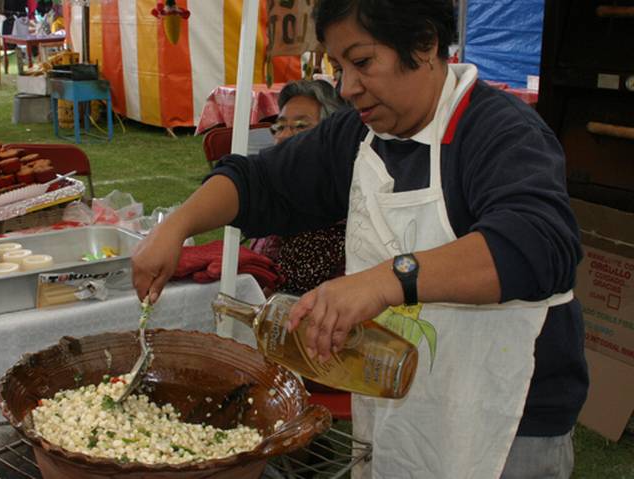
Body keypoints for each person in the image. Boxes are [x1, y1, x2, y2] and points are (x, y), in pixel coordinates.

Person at [131, 1, 588, 477]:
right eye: (338, 67)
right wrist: (176, 225)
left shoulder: (499, 132)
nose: (347, 88)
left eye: (363, 62)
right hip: (394, 401)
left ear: (426, 44)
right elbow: (259, 182)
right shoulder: (358, 136)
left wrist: (385, 281)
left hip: (506, 423)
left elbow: (539, 245)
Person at [249, 79, 347, 295]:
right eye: (281, 126)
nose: (284, 135)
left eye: (301, 126)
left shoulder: (339, 220)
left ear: (331, 136)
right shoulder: (277, 194)